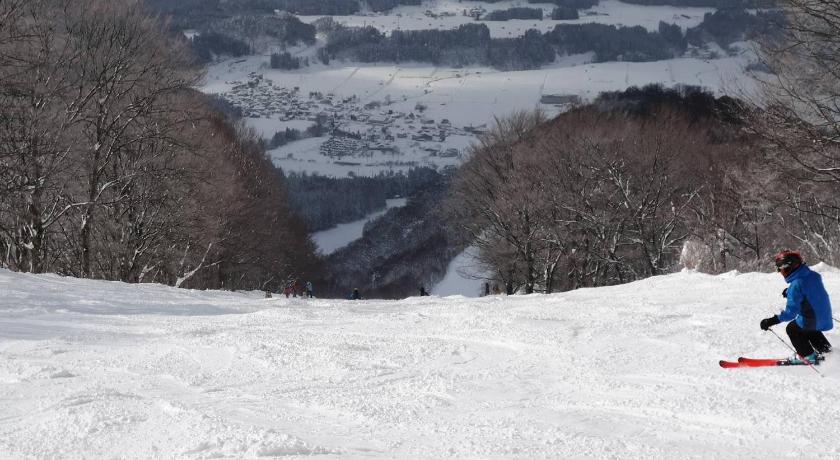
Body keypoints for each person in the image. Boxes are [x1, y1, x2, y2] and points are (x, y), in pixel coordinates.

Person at [760, 250, 833, 364]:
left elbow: (790, 314)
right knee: (805, 326)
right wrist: (789, 291)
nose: (780, 272)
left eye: (780, 268)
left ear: (788, 267)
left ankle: (808, 356)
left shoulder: (796, 286)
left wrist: (771, 321)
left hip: (813, 320)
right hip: (824, 317)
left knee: (792, 328)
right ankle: (826, 350)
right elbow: (807, 287)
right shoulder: (813, 275)